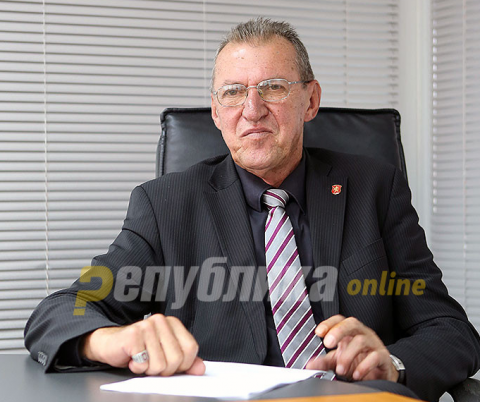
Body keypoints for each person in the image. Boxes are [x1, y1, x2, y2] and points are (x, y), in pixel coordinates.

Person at [25, 18, 480, 401]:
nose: (252, 109)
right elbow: (61, 311)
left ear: (310, 100)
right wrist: (110, 340)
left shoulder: (375, 189)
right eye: (232, 92)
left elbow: (450, 330)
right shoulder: (166, 205)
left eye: (273, 87)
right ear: (216, 111)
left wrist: (393, 364)